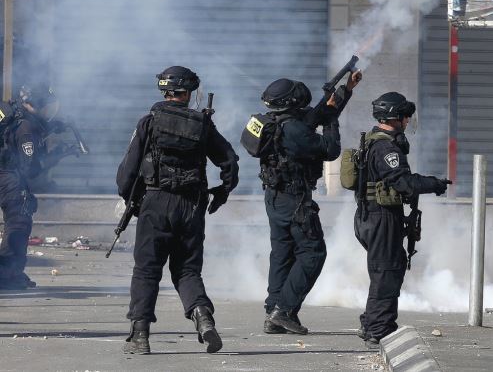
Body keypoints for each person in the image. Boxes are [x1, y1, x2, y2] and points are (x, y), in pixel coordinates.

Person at [118, 66, 239, 355]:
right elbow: (230, 161)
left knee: (147, 270)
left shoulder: (149, 122)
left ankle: (139, 335)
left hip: (156, 202)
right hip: (192, 206)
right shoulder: (202, 125)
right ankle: (202, 317)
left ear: (165, 90)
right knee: (186, 269)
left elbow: (127, 172)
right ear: (190, 93)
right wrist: (221, 193)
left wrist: (132, 202)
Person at [258, 72, 361, 336]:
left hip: (275, 197)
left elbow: (316, 115)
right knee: (313, 252)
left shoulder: (274, 122)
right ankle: (284, 310)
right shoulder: (293, 129)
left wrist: (344, 91)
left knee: (282, 253)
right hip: (295, 199)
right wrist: (333, 121)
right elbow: (330, 149)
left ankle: (274, 311)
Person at [354, 92, 449, 348]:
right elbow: (403, 182)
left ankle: (374, 322)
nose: (408, 122)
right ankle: (377, 328)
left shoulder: (378, 141)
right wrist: (434, 184)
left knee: (387, 270)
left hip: (376, 215)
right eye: (405, 117)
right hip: (381, 217)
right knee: (386, 272)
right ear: (394, 116)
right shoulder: (385, 146)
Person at [0, 85, 77, 289]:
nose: (51, 112)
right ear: (37, 104)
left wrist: (53, 128)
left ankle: (13, 272)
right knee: (18, 223)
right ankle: (7, 276)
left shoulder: (18, 118)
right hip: (10, 179)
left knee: (17, 223)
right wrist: (59, 155)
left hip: (6, 174)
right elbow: (30, 168)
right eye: (49, 107)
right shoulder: (26, 128)